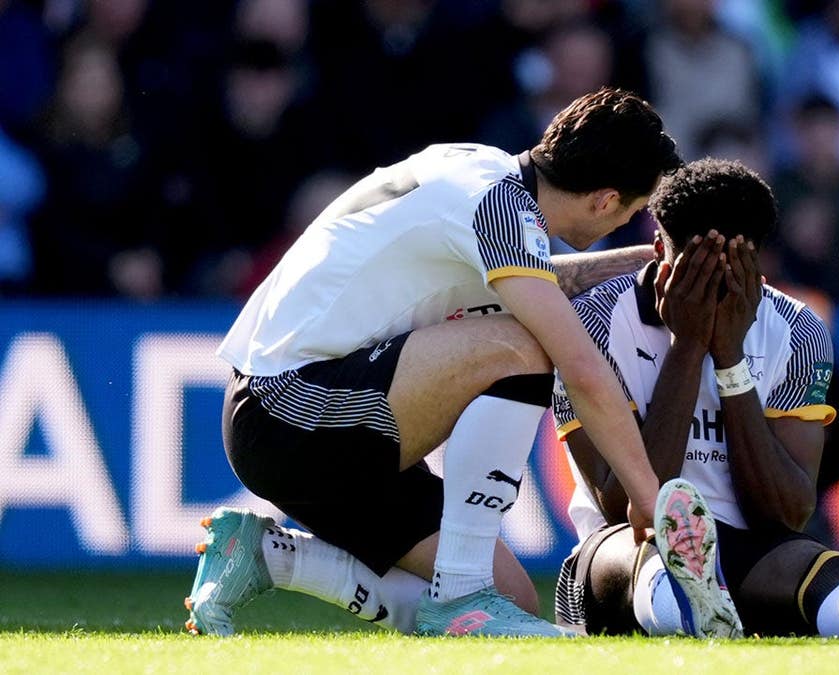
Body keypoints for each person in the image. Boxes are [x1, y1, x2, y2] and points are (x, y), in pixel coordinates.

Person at [183, 88, 681, 638]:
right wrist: (650, 500)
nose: (626, 221)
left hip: (302, 409)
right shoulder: (500, 208)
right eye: (634, 211)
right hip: (286, 411)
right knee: (529, 345)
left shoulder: (485, 172)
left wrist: (647, 263)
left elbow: (538, 280)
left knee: (512, 599)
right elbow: (580, 366)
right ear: (606, 201)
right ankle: (463, 590)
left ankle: (267, 557)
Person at [551, 158, 839, 638]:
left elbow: (786, 514)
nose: (713, 290)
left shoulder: (798, 329)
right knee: (636, 553)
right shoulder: (593, 324)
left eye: (731, 271)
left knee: (814, 564)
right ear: (658, 253)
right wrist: (688, 347)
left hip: (753, 553)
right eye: (696, 272)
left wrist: (729, 359)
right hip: (623, 558)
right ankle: (691, 606)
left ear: (757, 264)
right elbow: (625, 506)